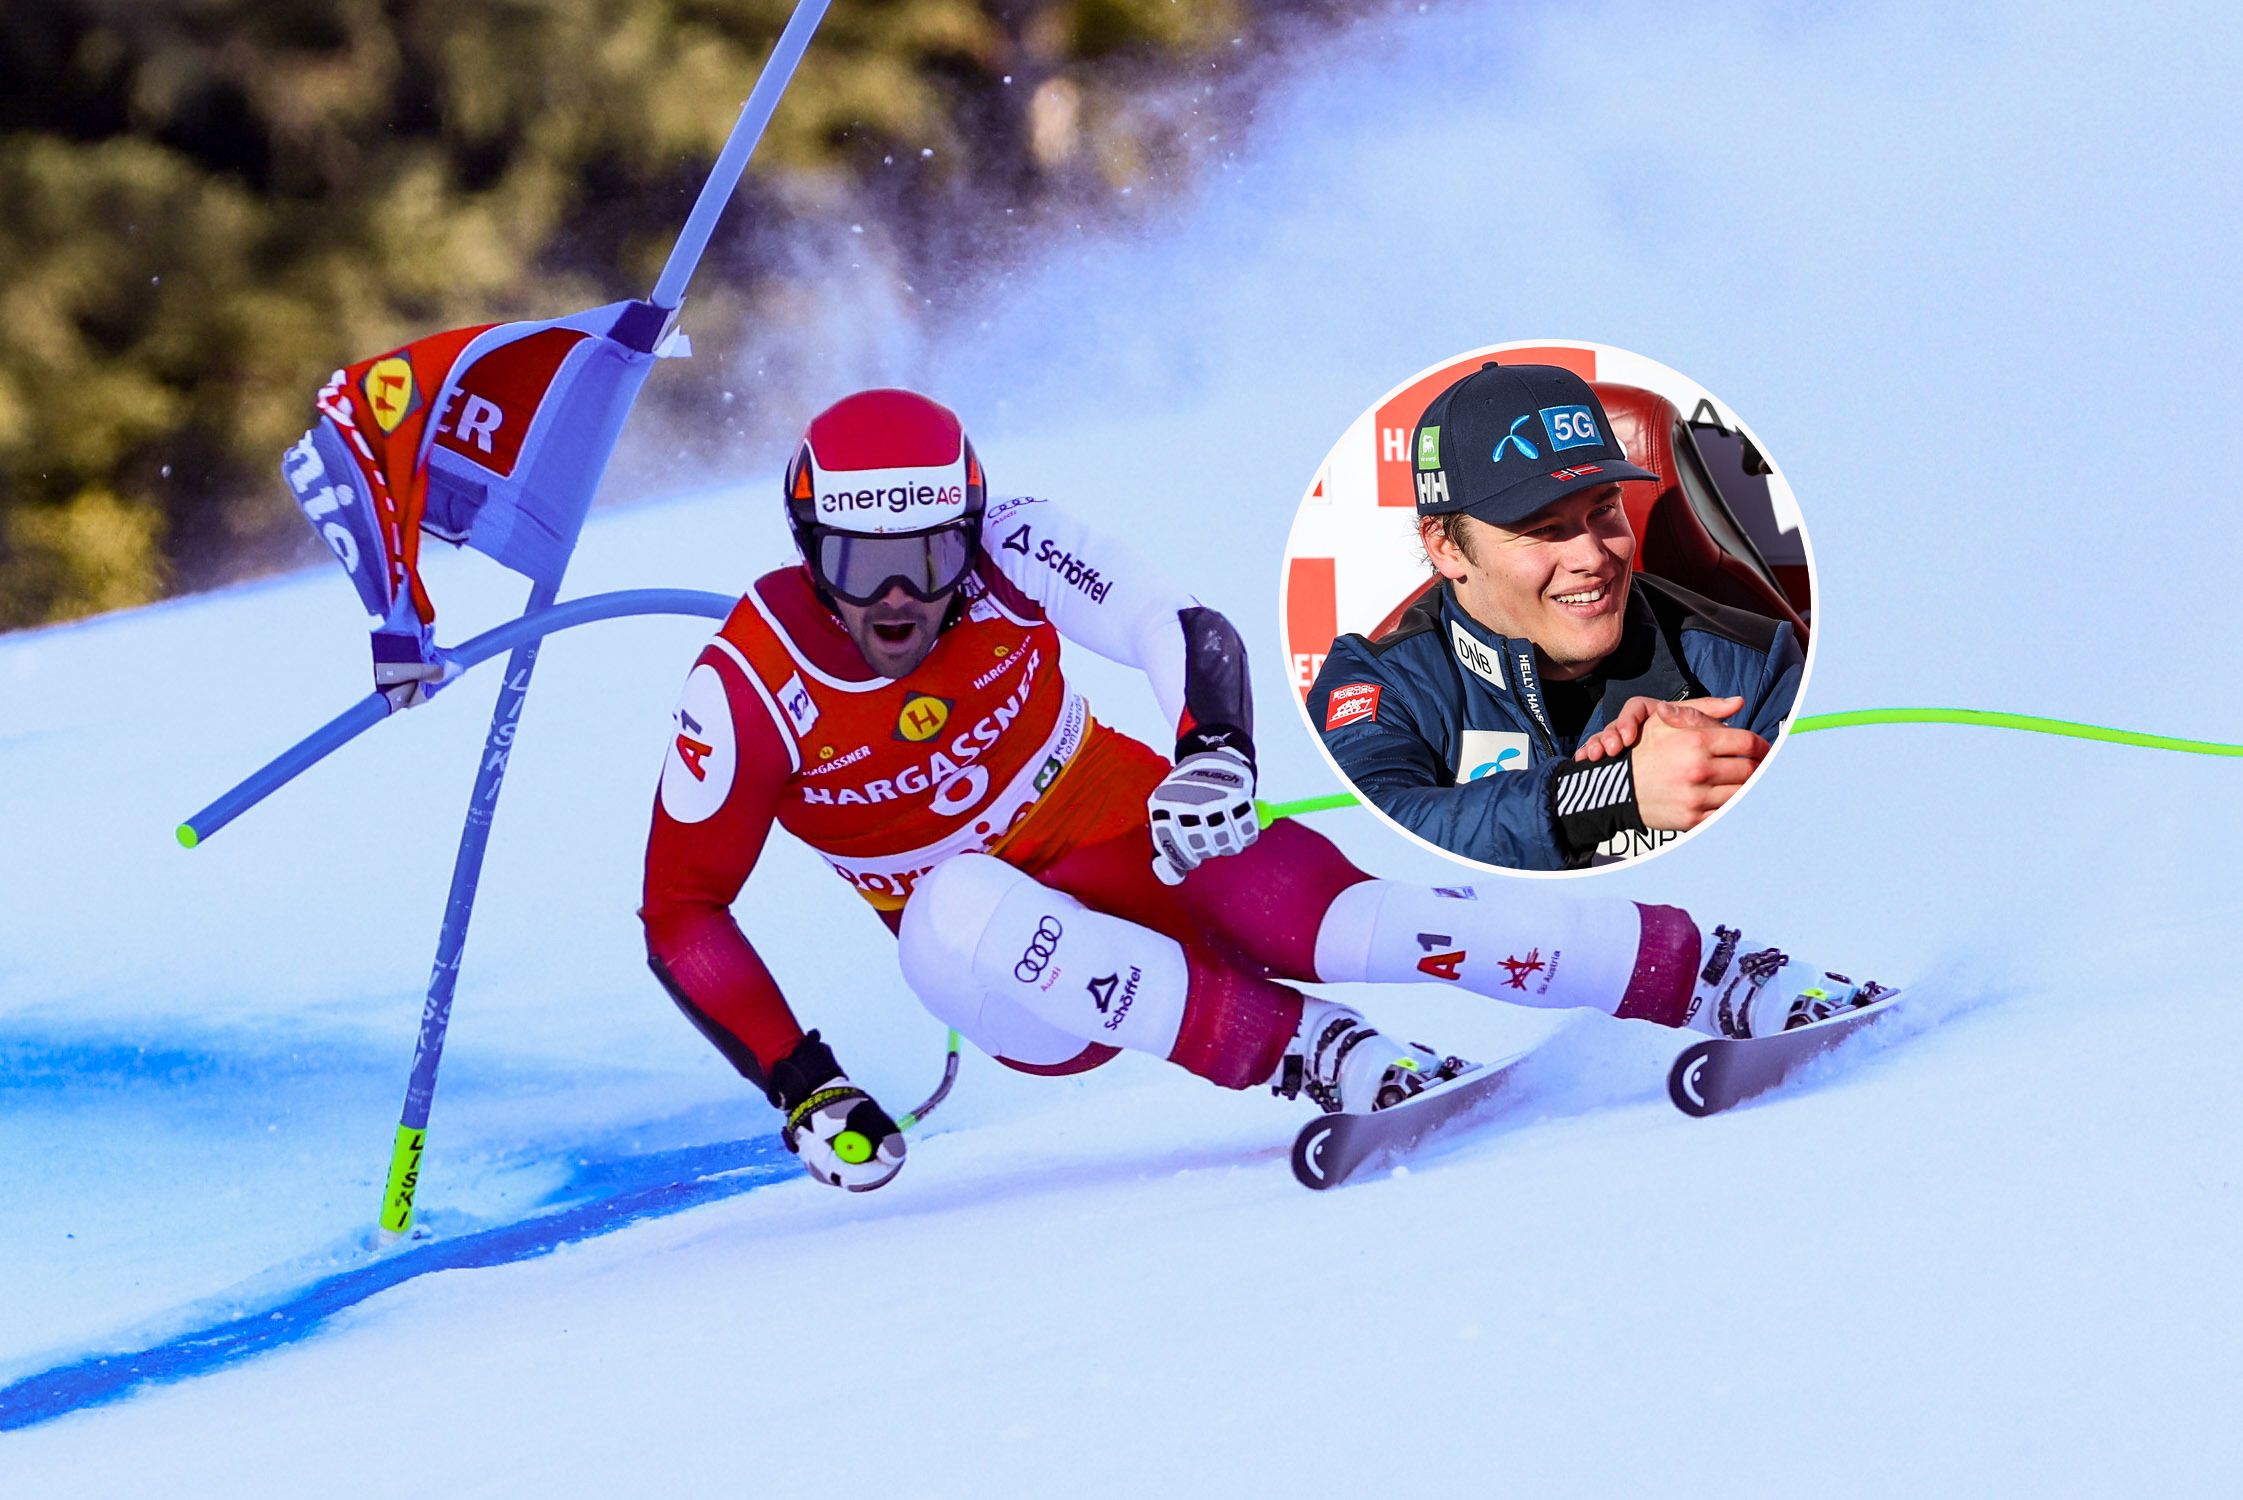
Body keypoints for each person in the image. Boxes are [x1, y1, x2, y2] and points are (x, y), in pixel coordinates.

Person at [640, 389, 1868, 1193]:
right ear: (811, 551)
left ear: (970, 529)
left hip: (1109, 820)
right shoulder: (747, 686)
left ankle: (1708, 970)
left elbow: (1168, 623)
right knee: (955, 905)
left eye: (930, 559)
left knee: (1324, 920)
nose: (898, 599)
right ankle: (1310, 1055)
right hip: (996, 965)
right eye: (862, 567)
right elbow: (682, 910)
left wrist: (1210, 747)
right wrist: (803, 1082)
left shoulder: (1013, 542)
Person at [1307, 362, 1804, 871]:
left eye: (1604, 511)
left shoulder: (1752, 664)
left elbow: (1804, 847)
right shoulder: (1381, 683)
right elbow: (1369, 834)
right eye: (1543, 529)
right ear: (1447, 547)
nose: (1591, 557)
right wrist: (1608, 796)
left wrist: (1730, 772)